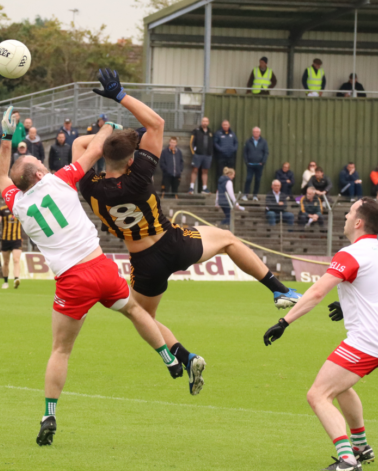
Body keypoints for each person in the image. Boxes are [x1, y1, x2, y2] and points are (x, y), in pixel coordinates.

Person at [78, 69, 301, 394]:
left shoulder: (89, 185)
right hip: (172, 244)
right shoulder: (138, 173)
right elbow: (156, 124)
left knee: (143, 317)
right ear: (130, 161)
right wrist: (119, 97)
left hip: (144, 262)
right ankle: (280, 290)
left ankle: (185, 356)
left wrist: (106, 133)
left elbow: (83, 146)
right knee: (227, 239)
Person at [0, 105, 184, 447]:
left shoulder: (18, 203)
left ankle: (49, 412)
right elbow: (96, 149)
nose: (44, 167)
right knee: (136, 311)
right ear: (39, 175)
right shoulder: (60, 178)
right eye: (39, 165)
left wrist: (7, 138)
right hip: (101, 267)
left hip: (72, 280)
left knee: (61, 350)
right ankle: (166, 356)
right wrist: (108, 124)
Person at [263, 197, 378, 471]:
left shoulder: (350, 253)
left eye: (349, 213)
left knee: (318, 395)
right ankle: (361, 447)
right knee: (340, 386)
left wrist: (284, 322)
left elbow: (315, 293)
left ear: (358, 222)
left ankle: (347, 458)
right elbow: (369, 287)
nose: (346, 217)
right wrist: (347, 304)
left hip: (367, 340)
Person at [0, 204, 23, 290]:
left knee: (16, 260)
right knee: (6, 262)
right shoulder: (2, 209)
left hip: (17, 239)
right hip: (5, 240)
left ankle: (16, 279)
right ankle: (5, 282)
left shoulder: (20, 208)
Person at [242, 126, 268, 201]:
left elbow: (266, 152)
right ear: (252, 133)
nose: (255, 133)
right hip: (250, 165)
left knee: (257, 180)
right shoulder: (248, 141)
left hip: (259, 165)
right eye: (254, 132)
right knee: (248, 179)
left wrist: (263, 162)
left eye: (257, 132)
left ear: (259, 133)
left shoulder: (263, 142)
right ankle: (245, 195)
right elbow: (245, 152)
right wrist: (247, 162)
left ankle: (255, 196)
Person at [188, 117, 213, 194]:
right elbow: (191, 142)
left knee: (205, 171)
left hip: (207, 155)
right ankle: (191, 188)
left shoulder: (210, 132)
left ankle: (204, 188)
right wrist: (193, 153)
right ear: (201, 122)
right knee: (195, 170)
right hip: (198, 154)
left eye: (206, 121)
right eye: (203, 121)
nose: (204, 123)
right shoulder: (196, 131)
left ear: (208, 122)